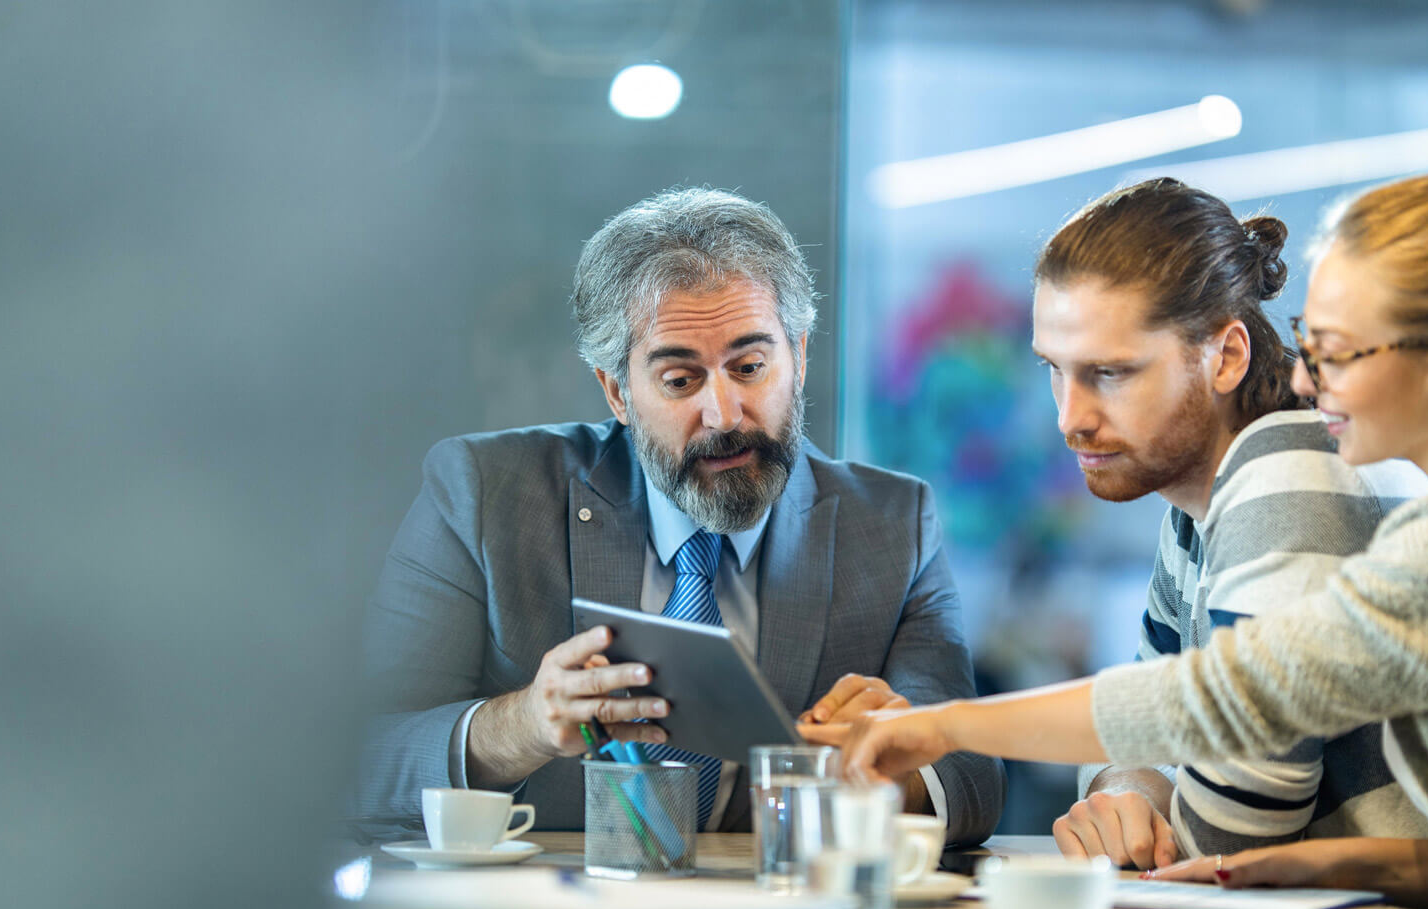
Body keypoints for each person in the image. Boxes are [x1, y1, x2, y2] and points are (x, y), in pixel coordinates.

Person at [808, 173, 1428, 909]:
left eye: (1336, 353)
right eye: (1307, 343)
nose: (1305, 380)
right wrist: (1320, 860)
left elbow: (1228, 704)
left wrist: (939, 725)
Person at [355, 187, 1005, 842]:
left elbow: (972, 780)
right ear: (617, 390)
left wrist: (887, 771)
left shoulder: (892, 526)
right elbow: (353, 759)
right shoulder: (483, 494)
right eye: (680, 381)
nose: (723, 414)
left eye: (751, 367)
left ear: (800, 357)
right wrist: (520, 725)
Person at [1031, 178, 1428, 869]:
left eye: (1111, 374)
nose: (1070, 418)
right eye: (1056, 372)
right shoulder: (1199, 503)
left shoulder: (1295, 473)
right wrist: (1125, 789)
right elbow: (1141, 724)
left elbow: (1235, 836)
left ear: (1228, 356)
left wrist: (1149, 805)